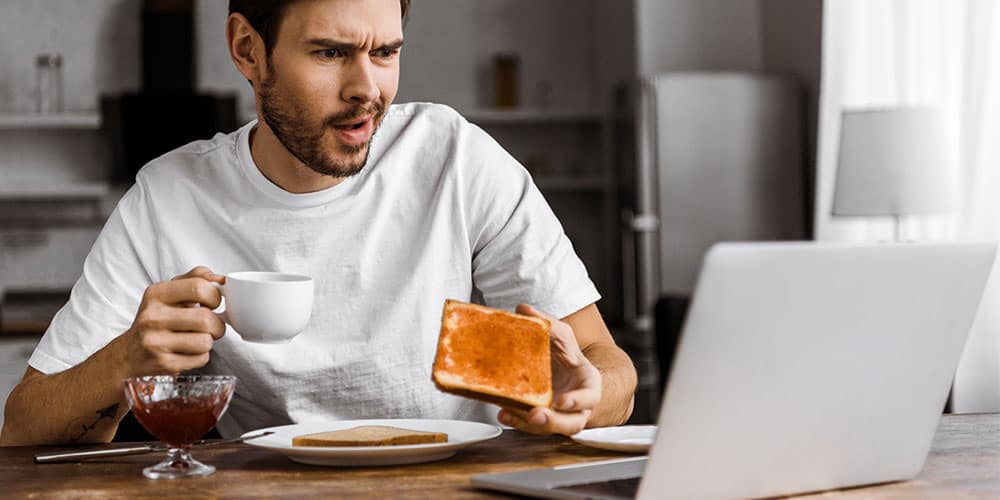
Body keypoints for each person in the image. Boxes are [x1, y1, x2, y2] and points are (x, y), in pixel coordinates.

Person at [0, 0, 637, 446]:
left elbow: (612, 370)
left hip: (457, 481)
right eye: (331, 52)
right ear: (248, 50)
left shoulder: (456, 158)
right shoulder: (167, 198)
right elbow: (22, 429)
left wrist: (581, 398)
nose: (368, 89)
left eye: (386, 52)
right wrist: (124, 361)